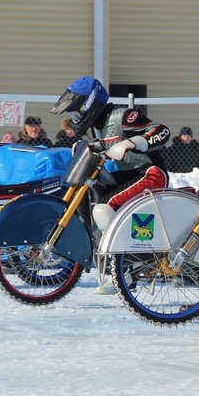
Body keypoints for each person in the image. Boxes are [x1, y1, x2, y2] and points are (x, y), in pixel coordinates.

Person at [52, 76, 171, 293]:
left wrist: (131, 142)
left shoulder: (122, 115)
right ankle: (106, 255)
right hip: (130, 175)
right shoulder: (97, 126)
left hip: (151, 173)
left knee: (105, 207)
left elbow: (161, 131)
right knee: (92, 197)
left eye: (77, 112)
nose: (76, 118)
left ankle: (124, 269)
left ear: (90, 104)